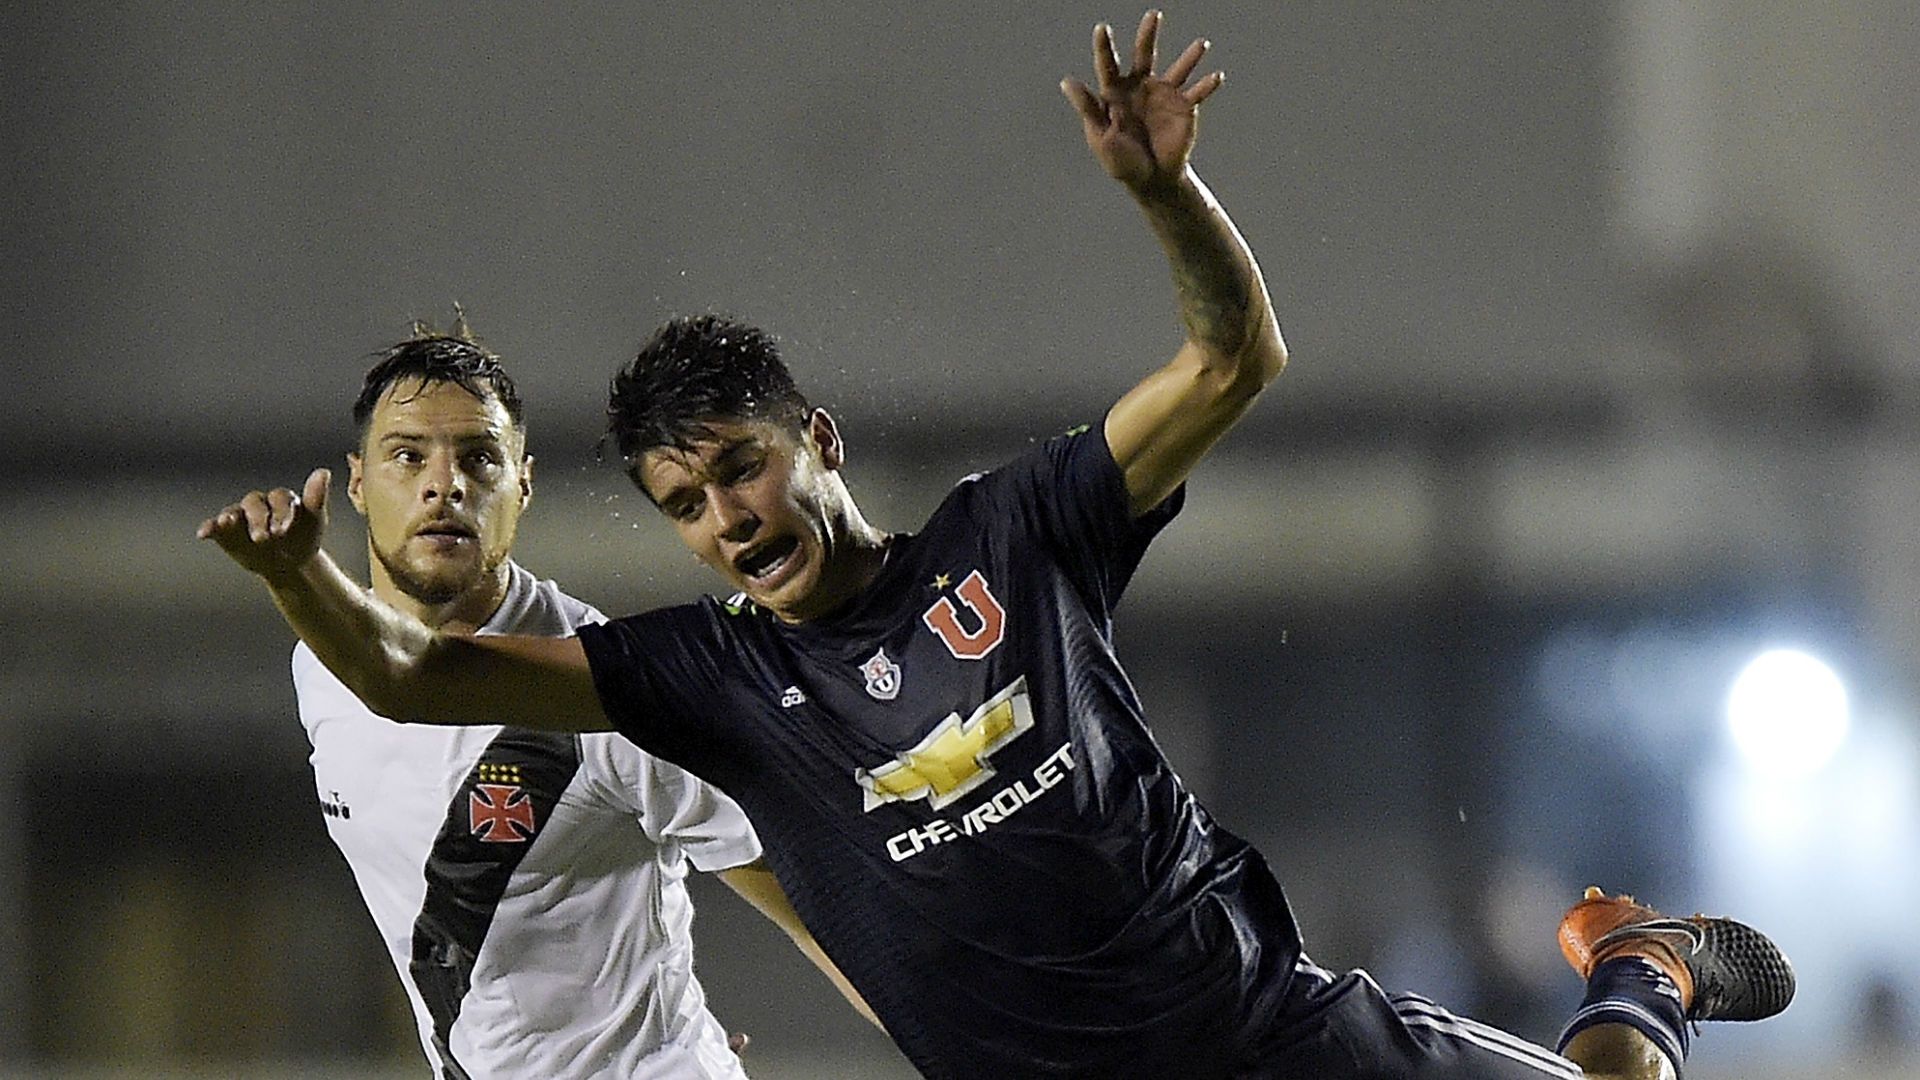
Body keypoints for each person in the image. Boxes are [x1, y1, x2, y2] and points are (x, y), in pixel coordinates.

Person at [201, 12, 1793, 1079]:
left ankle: (1638, 967)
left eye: (743, 470)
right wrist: (297, 578)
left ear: (817, 442)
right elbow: (411, 678)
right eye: (687, 506)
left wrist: (1168, 196)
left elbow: (1234, 364)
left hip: (1257, 1034)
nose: (728, 520)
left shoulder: (1014, 536)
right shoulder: (702, 681)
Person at [278, 319, 875, 1079]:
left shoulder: (606, 690)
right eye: (408, 455)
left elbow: (827, 919)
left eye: (479, 457)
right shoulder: (323, 668)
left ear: (522, 484)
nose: (444, 484)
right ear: (358, 483)